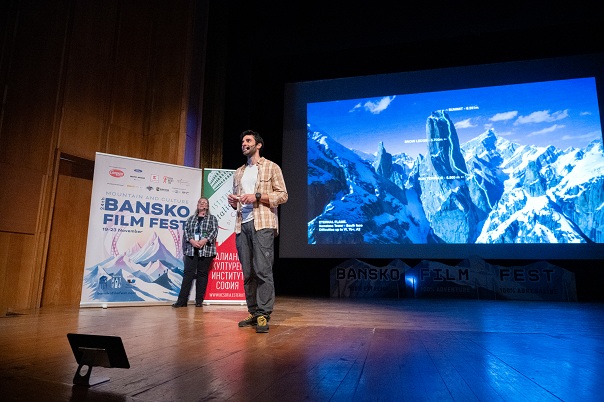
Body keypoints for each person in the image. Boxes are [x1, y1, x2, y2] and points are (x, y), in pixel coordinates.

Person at [227, 129, 288, 333]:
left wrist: (258, 196)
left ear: (258, 145)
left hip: (262, 223)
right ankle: (253, 312)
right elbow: (239, 200)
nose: (244, 144)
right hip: (242, 224)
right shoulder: (239, 172)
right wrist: (233, 202)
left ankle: (263, 314)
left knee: (262, 270)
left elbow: (283, 195)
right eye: (242, 141)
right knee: (248, 272)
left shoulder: (271, 167)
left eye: (248, 140)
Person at [172, 197, 218, 308]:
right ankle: (182, 301)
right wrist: (192, 241)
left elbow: (214, 231)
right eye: (200, 202)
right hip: (191, 250)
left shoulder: (212, 218)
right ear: (197, 205)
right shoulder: (191, 219)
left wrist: (204, 240)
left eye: (205, 203)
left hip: (206, 250)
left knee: (202, 275)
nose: (202, 204)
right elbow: (186, 231)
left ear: (207, 206)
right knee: (188, 275)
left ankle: (199, 301)